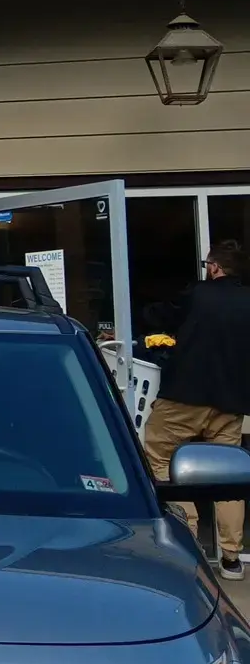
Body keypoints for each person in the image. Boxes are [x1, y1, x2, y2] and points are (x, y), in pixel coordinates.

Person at [143, 240, 250, 579]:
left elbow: (159, 315)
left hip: (184, 397)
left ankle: (188, 538)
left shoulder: (198, 295)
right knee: (228, 475)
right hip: (230, 403)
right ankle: (232, 557)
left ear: (215, 267)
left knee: (159, 456)